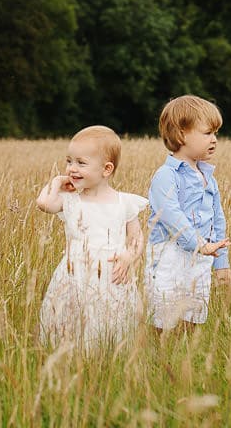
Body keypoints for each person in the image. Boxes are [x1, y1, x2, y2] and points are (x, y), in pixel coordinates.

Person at [35, 125, 148, 349]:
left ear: (106, 169)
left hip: (111, 274)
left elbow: (136, 238)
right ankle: (71, 356)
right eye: (69, 161)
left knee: (109, 321)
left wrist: (128, 257)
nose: (72, 168)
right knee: (72, 319)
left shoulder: (123, 202)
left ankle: (105, 356)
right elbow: (44, 203)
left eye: (81, 163)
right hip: (74, 273)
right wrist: (58, 181)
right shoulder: (70, 200)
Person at [145, 95, 231, 331]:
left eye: (216, 133)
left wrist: (221, 263)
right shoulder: (167, 176)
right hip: (169, 255)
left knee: (193, 312)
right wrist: (198, 244)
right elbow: (171, 216)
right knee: (165, 313)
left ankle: (183, 357)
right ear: (181, 134)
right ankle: (161, 357)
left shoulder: (208, 178)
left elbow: (218, 220)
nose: (214, 140)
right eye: (207, 133)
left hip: (201, 256)